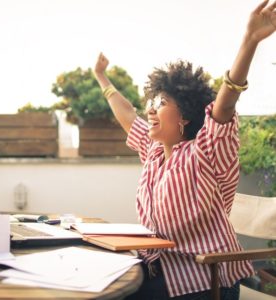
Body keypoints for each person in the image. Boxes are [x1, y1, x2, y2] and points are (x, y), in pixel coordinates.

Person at [93, 1, 276, 299]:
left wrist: (250, 40)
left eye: (161, 104)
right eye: (151, 104)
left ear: (185, 116)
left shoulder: (206, 151)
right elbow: (127, 115)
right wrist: (102, 77)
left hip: (204, 280)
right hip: (160, 270)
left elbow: (225, 103)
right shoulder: (153, 152)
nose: (150, 111)